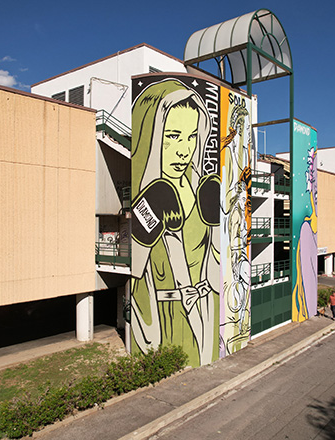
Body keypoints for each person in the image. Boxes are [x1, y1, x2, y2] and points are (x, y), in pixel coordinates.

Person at [130, 78, 220, 367]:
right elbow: (134, 275)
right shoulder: (149, 196)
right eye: (172, 136)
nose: (184, 150)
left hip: (206, 312)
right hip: (168, 319)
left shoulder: (203, 188)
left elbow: (217, 263)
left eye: (192, 136)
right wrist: (145, 224)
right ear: (151, 135)